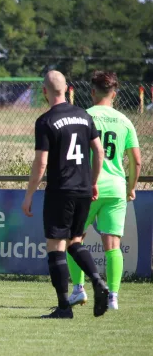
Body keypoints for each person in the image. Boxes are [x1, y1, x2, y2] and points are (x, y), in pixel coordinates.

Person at [21, 70, 108, 319]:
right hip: (83, 189)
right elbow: (98, 152)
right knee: (75, 243)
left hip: (61, 190)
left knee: (55, 248)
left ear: (44, 92)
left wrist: (29, 195)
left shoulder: (45, 121)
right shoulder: (84, 115)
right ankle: (96, 279)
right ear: (68, 89)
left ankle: (63, 307)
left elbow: (41, 163)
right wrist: (93, 182)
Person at [67, 71, 141, 310]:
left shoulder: (84, 116)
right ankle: (113, 297)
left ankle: (79, 290)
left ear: (92, 92)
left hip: (87, 187)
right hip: (116, 188)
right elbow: (137, 162)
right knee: (112, 245)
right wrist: (130, 189)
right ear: (115, 94)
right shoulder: (125, 121)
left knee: (74, 239)